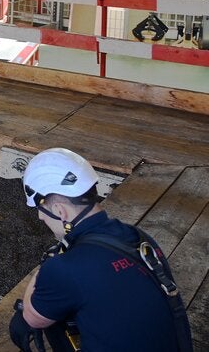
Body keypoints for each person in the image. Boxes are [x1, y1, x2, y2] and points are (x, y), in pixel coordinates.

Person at [10, 147, 192, 352]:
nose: (40, 217)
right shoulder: (138, 237)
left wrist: (48, 266)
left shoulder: (64, 268)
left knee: (51, 314)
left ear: (60, 211)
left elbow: (32, 319)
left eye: (41, 211)